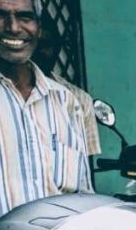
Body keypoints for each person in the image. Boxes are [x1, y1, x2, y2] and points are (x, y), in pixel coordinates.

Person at [0, 0, 92, 230]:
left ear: (38, 27)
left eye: (25, 17)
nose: (14, 28)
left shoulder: (65, 100)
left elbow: (82, 192)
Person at [33, 10, 101, 158]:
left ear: (57, 48)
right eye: (32, 44)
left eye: (45, 44)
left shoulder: (79, 100)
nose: (38, 52)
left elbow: (85, 162)